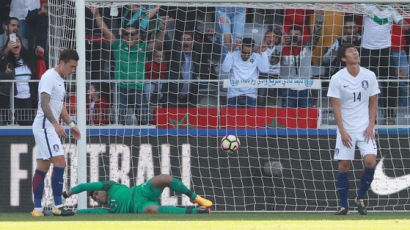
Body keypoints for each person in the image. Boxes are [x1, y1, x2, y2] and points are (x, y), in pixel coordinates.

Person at [89, 7, 168, 125]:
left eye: (133, 33)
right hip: (121, 89)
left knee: (144, 121)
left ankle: (144, 141)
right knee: (119, 121)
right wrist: (96, 14)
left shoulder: (142, 47)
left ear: (137, 35)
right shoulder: (118, 45)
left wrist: (163, 30)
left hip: (139, 88)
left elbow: (158, 44)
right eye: (126, 34)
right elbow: (104, 30)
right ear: (123, 35)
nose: (129, 36)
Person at [327, 44, 380, 215]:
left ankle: (360, 196)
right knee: (343, 166)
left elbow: (373, 102)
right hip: (346, 129)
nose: (355, 52)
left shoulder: (369, 75)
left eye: (355, 50)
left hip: (365, 128)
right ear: (343, 58)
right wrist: (342, 130)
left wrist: (371, 125)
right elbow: (335, 106)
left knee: (371, 161)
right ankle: (344, 206)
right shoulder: (337, 78)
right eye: (350, 51)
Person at [31, 49, 81, 217]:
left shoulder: (60, 79)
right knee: (60, 161)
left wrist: (71, 124)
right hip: (45, 126)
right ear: (62, 62)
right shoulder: (49, 77)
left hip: (48, 126)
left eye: (75, 67)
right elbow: (44, 104)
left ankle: (37, 209)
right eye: (71, 66)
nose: (73, 70)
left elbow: (59, 106)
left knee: (43, 166)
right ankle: (58, 206)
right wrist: (55, 124)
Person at [360, 4, 410, 124]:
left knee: (390, 83)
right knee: (366, 84)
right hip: (367, 50)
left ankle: (390, 116)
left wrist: (402, 14)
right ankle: (369, 116)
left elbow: (405, 26)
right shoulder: (365, 6)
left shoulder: (392, 10)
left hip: (385, 50)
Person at [63, 174, 212, 214]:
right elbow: (89, 212)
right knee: (151, 210)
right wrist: (74, 211)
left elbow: (84, 185)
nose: (96, 196)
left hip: (141, 190)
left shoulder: (110, 185)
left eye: (96, 193)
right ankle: (196, 211)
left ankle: (195, 198)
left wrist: (67, 193)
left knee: (164, 178)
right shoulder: (109, 210)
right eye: (94, 198)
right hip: (140, 206)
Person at [280, 12, 323, 108]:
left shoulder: (308, 47)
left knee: (306, 118)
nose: (294, 37)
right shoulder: (283, 48)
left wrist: (320, 16)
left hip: (305, 89)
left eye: (296, 35)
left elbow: (317, 33)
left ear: (302, 36)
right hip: (288, 89)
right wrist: (279, 45)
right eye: (291, 35)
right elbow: (272, 62)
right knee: (287, 119)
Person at [1, 34, 42, 125]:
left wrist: (39, 51)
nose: (15, 44)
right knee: (11, 127)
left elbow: (38, 58)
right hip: (12, 99)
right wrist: (6, 50)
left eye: (18, 41)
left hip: (27, 99)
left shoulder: (28, 58)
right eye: (12, 42)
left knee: (27, 126)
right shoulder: (5, 59)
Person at [221, 37, 270, 108]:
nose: (246, 55)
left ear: (252, 50)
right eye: (244, 53)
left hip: (251, 96)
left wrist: (264, 52)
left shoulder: (255, 57)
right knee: (232, 119)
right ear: (240, 48)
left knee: (251, 119)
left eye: (248, 53)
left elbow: (265, 70)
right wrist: (230, 52)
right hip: (234, 95)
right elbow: (225, 69)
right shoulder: (234, 55)